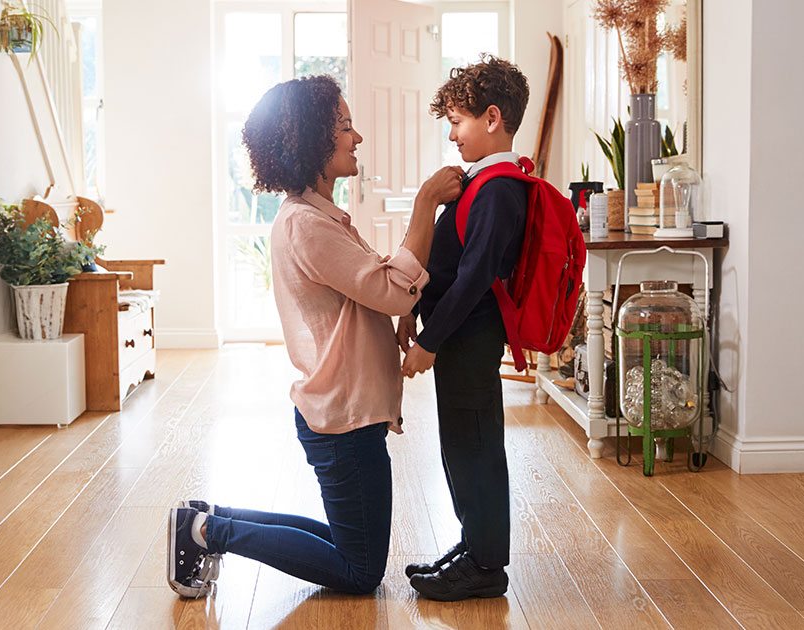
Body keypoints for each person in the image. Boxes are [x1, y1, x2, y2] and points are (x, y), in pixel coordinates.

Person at [166, 74, 465, 598]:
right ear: (311, 142)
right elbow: (393, 289)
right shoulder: (307, 224)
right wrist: (425, 205)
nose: (358, 138)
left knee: (350, 544)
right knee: (360, 569)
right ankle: (209, 532)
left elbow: (372, 290)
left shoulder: (317, 217)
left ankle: (208, 518)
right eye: (346, 127)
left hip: (343, 413)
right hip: (343, 420)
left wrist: (396, 307)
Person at [398, 55, 531, 601]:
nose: (452, 134)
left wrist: (430, 341)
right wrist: (414, 307)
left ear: (492, 117)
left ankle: (486, 565)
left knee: (475, 446)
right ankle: (474, 545)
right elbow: (450, 263)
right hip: (458, 337)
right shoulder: (480, 181)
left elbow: (475, 276)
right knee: (459, 443)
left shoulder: (500, 188)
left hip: (470, 338)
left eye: (457, 121)